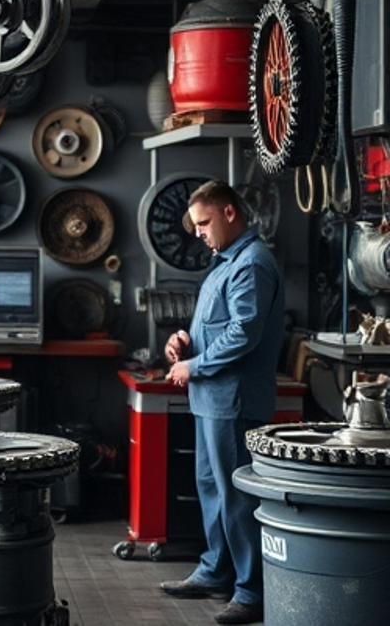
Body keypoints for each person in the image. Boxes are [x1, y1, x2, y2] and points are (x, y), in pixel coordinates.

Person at [161, 180, 284, 625]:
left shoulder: (251, 264)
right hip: (210, 400)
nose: (198, 233)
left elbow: (243, 334)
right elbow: (217, 326)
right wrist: (184, 340)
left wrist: (193, 367)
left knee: (235, 497)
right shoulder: (224, 263)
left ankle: (250, 592)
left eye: (204, 223)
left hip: (233, 402)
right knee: (212, 489)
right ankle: (215, 571)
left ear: (230, 213)